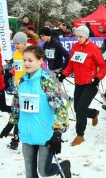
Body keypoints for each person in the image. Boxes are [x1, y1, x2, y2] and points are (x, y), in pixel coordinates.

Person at [10, 45, 71, 178]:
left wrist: (58, 131)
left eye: (30, 60)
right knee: (30, 174)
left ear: (40, 61)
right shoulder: (22, 81)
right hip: (26, 133)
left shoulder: (46, 82)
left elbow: (60, 109)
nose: (26, 63)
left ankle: (64, 166)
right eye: (24, 60)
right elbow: (16, 103)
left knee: (44, 171)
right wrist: (11, 122)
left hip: (45, 134)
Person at [57, 26, 106, 146]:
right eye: (77, 36)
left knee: (80, 110)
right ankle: (94, 113)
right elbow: (71, 64)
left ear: (86, 36)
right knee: (77, 108)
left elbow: (103, 66)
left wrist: (98, 77)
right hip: (79, 83)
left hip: (91, 84)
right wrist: (64, 74)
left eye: (81, 37)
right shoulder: (75, 47)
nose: (78, 39)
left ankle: (80, 135)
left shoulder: (93, 48)